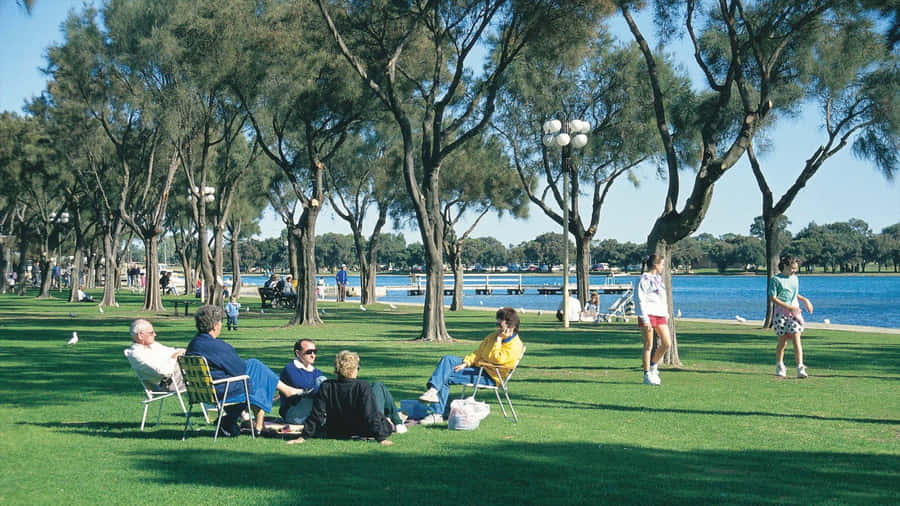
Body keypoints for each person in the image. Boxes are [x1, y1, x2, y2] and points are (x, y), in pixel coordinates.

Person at [185, 304, 303, 436]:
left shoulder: (194, 344)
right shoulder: (217, 346)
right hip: (221, 390)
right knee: (255, 373)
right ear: (215, 325)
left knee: (254, 366)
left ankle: (256, 421)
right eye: (220, 322)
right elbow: (239, 369)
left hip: (203, 391)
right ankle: (283, 396)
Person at [418, 307, 525, 424]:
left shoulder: (515, 345)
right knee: (447, 359)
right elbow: (478, 353)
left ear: (511, 327)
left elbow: (497, 359)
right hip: (477, 368)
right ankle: (433, 391)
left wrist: (498, 341)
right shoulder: (492, 336)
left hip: (490, 376)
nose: (497, 328)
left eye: (500, 326)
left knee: (445, 377)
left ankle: (437, 414)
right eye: (497, 324)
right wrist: (466, 363)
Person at [288, 350, 395, 446]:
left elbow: (317, 414)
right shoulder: (362, 386)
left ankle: (394, 419)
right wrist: (381, 438)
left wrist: (303, 436)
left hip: (336, 431)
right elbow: (370, 414)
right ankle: (395, 420)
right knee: (384, 416)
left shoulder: (326, 386)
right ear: (353, 369)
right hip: (362, 429)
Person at [769, 255, 814, 379]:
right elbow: (773, 298)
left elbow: (794, 294)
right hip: (780, 314)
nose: (794, 271)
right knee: (782, 343)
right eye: (792, 268)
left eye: (796, 268)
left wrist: (805, 300)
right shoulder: (775, 280)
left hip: (794, 313)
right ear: (785, 266)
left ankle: (800, 368)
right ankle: (780, 365)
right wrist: (788, 307)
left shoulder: (795, 279)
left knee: (796, 340)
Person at [634, 254, 671, 386]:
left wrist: (665, 313)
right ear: (655, 265)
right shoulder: (642, 279)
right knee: (648, 345)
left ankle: (654, 365)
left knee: (667, 343)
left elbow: (663, 298)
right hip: (647, 315)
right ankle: (646, 374)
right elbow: (639, 299)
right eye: (661, 264)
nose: (663, 267)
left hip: (660, 314)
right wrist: (645, 319)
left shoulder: (659, 279)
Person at [125, 319, 185, 392]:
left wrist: (184, 351)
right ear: (140, 335)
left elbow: (172, 351)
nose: (155, 334)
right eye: (151, 333)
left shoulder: (154, 346)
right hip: (168, 384)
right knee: (201, 378)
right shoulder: (136, 354)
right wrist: (174, 357)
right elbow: (163, 372)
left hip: (178, 377)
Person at [279, 339, 326, 424]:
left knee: (322, 381)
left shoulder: (316, 372)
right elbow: (307, 391)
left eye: (315, 352)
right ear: (298, 353)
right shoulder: (290, 370)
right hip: (293, 413)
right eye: (309, 352)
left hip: (310, 411)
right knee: (322, 383)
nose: (313, 355)